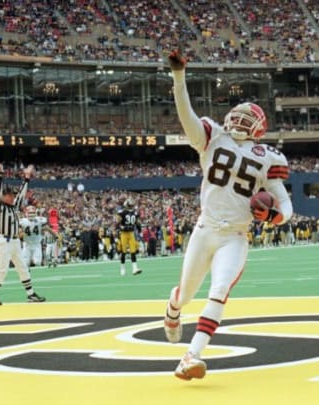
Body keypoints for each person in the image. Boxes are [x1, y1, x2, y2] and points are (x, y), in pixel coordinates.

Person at [163, 50, 293, 381]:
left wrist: (277, 218)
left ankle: (191, 356)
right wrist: (179, 78)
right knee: (186, 294)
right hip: (205, 230)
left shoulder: (268, 157)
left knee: (219, 291)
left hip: (235, 236)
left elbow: (284, 202)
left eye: (249, 117)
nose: (240, 120)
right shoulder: (211, 136)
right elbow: (186, 114)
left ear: (260, 128)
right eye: (239, 114)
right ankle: (173, 309)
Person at [0, 162, 45, 306]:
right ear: (4, 196)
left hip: (15, 242)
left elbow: (21, 194)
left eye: (12, 196)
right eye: (10, 195)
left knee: (22, 267)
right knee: (3, 269)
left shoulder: (13, 207)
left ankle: (31, 294)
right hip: (4, 241)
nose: (13, 198)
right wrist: (0, 176)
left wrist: (26, 178)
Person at [117, 198, 142, 276]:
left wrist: (120, 227)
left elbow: (117, 223)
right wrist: (139, 231)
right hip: (125, 233)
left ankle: (134, 268)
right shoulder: (133, 212)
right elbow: (138, 224)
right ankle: (123, 268)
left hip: (129, 233)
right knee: (124, 251)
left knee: (132, 250)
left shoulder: (122, 212)